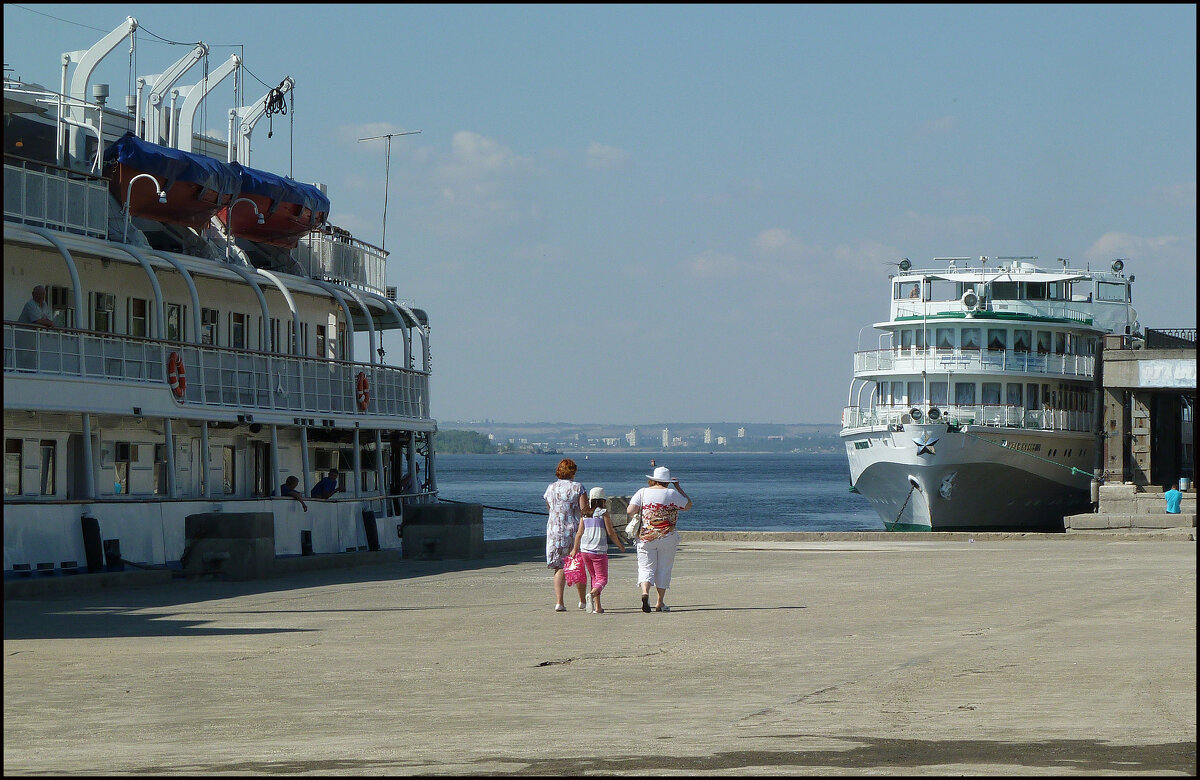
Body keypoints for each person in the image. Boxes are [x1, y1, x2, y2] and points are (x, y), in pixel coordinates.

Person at [626, 465, 692, 613]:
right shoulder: (671, 493)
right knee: (663, 569)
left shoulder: (642, 492)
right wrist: (679, 488)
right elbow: (688, 505)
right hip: (667, 537)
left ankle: (645, 593)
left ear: (654, 480)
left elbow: (630, 510)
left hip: (645, 537)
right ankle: (660, 603)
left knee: (645, 567)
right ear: (668, 481)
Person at [569, 487, 626, 614]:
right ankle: (592, 594)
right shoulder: (603, 513)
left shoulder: (585, 513)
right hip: (598, 550)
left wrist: (574, 549)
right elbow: (611, 532)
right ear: (602, 500)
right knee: (602, 579)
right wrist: (620, 545)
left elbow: (579, 533)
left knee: (594, 578)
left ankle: (597, 607)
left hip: (585, 550)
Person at [543, 457, 589, 612]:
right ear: (573, 472)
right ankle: (582, 600)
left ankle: (559, 602)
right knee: (577, 563)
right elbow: (585, 511)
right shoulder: (578, 487)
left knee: (559, 567)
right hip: (573, 530)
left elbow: (550, 508)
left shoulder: (550, 488)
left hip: (555, 530)